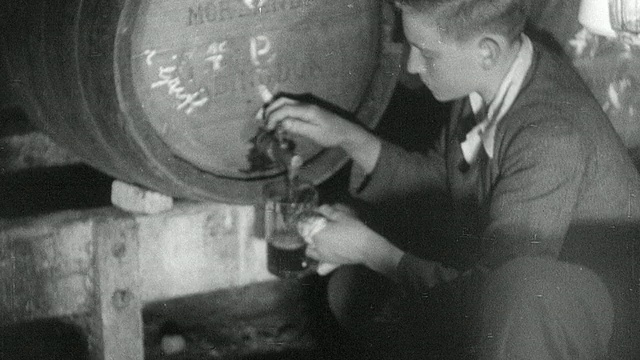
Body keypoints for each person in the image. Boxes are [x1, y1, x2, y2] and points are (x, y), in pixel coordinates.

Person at [264, 0, 640, 358]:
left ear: (487, 51)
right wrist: (349, 137)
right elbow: (443, 179)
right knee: (353, 292)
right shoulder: (495, 75)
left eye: (426, 53)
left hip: (593, 332)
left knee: (374, 297)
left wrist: (368, 249)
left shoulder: (549, 135)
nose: (411, 65)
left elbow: (492, 293)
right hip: (511, 296)